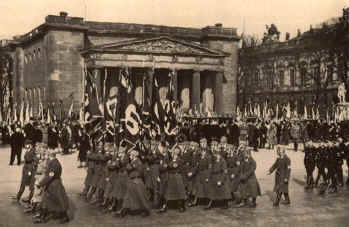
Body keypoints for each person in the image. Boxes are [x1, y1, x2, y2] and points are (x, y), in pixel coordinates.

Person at [34, 152, 71, 224]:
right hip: (52, 185)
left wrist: (40, 184)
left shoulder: (54, 165)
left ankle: (64, 216)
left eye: (47, 155)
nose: (46, 157)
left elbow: (50, 176)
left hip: (54, 185)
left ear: (50, 156)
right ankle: (44, 216)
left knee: (58, 200)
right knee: (49, 200)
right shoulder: (53, 163)